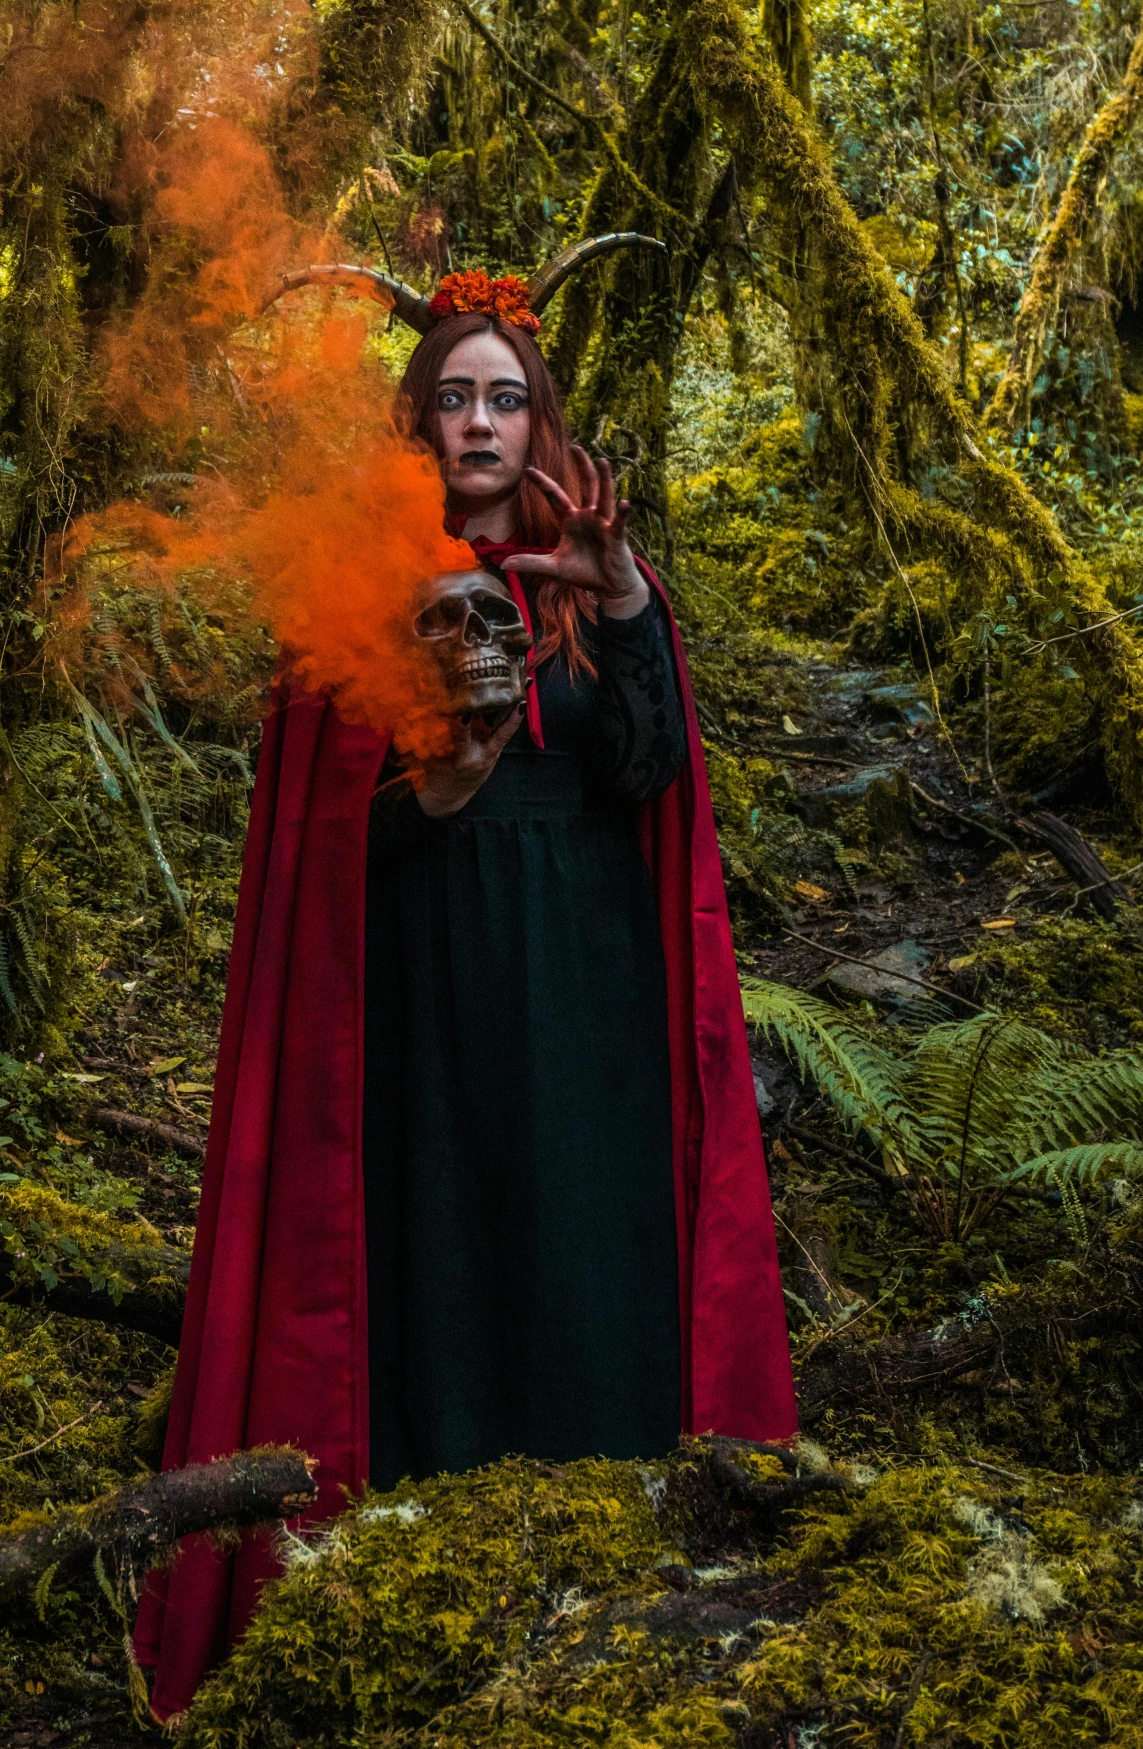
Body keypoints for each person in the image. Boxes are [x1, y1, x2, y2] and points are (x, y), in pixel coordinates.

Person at [131, 253, 795, 1725]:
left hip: (588, 987)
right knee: (436, 1238)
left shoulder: (607, 583)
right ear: (418, 423)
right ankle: (429, 1568)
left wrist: (616, 598)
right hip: (423, 989)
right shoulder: (355, 594)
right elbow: (327, 854)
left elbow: (647, 775)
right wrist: (452, 774)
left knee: (581, 1232)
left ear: (539, 417)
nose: (479, 423)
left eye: (504, 397)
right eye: (452, 399)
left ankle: (605, 1570)